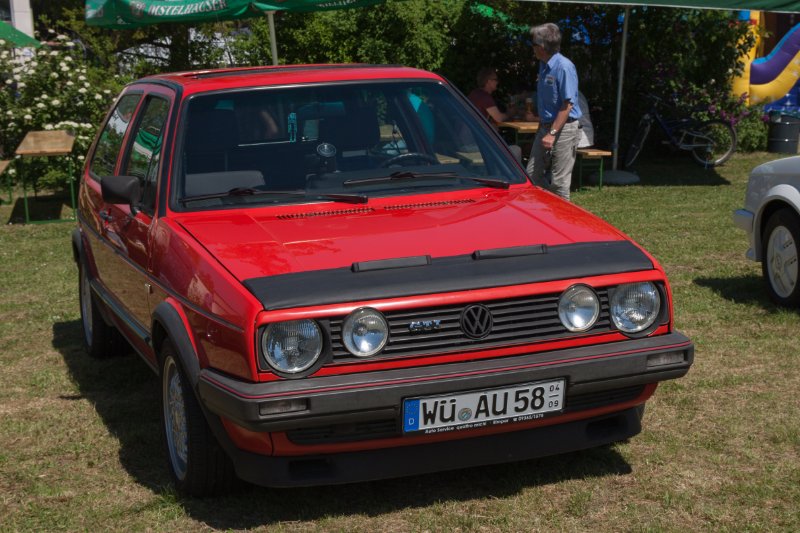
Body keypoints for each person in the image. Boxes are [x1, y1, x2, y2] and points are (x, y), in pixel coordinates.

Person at [526, 23, 582, 201]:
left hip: (564, 129)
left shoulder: (564, 67)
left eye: (533, 44)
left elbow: (567, 105)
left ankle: (560, 221)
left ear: (541, 47)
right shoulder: (543, 65)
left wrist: (552, 133)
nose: (532, 48)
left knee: (559, 183)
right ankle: (545, 209)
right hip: (545, 126)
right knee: (532, 174)